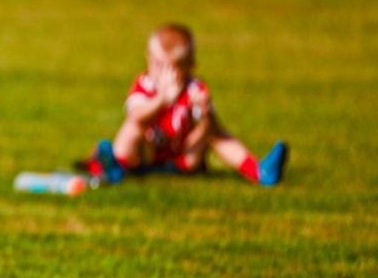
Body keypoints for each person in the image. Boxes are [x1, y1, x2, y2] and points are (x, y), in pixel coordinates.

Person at [75, 24, 289, 186]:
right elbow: (136, 116)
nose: (163, 74)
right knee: (132, 127)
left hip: (183, 158)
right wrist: (162, 100)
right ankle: (115, 166)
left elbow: (210, 129)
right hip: (144, 157)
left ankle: (259, 172)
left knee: (214, 132)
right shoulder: (145, 85)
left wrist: (205, 114)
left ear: (189, 67)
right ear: (148, 58)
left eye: (172, 68)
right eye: (158, 66)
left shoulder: (194, 89)